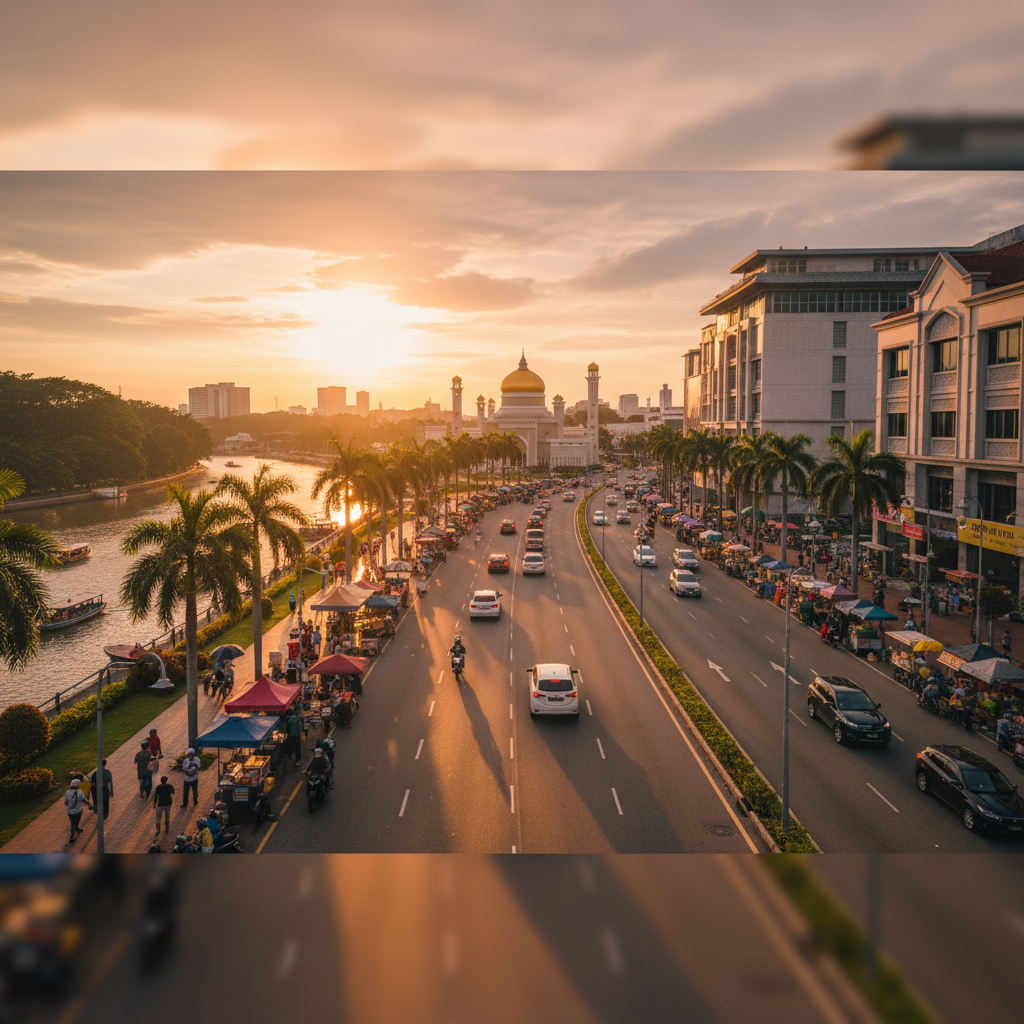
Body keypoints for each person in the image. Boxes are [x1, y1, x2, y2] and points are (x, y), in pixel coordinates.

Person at [64, 778, 92, 843]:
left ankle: (76, 829)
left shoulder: (67, 792)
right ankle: (72, 836)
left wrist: (70, 805)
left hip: (70, 812)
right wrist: (89, 805)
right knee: (74, 823)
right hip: (78, 811)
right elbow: (85, 800)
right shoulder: (79, 792)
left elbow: (65, 803)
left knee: (73, 822)